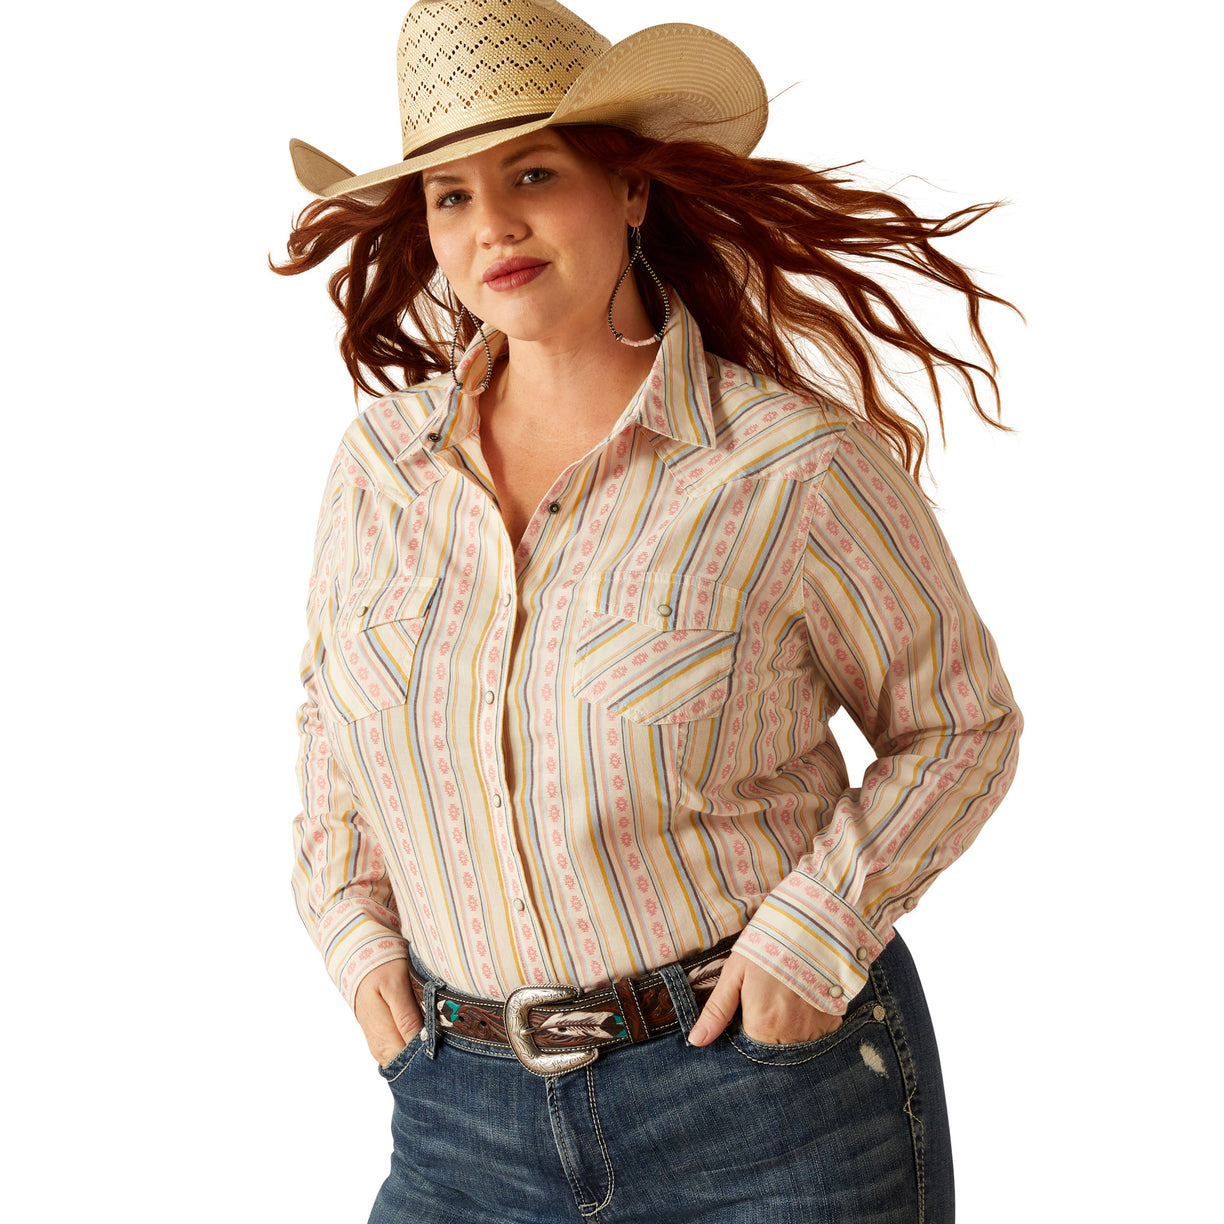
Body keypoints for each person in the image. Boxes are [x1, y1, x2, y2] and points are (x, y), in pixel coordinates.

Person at [276, 2, 1022, 1220]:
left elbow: (961, 727)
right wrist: (354, 942)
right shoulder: (382, 467)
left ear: (628, 189)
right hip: (457, 1113)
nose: (492, 225)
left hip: (764, 1100)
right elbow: (332, 726)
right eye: (450, 195)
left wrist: (811, 941)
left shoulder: (789, 470)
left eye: (533, 173)